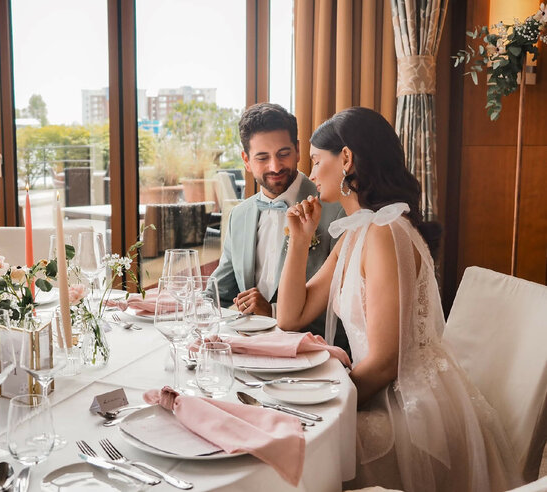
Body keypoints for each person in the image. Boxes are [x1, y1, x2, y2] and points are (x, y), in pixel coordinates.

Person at [276, 106, 521, 491]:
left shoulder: (384, 232)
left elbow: (388, 360)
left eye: (316, 160)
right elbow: (291, 317)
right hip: (378, 392)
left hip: (410, 411)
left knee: (303, 453)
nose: (310, 172)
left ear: (346, 159)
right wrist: (300, 241)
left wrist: (330, 406)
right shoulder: (357, 232)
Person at [211, 103, 348, 350]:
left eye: (283, 153)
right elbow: (218, 290)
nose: (275, 166)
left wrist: (273, 311)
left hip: (313, 355)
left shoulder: (337, 209)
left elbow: (343, 310)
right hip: (248, 350)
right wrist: (181, 305)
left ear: (297, 150)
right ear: (246, 160)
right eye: (262, 157)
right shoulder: (239, 215)